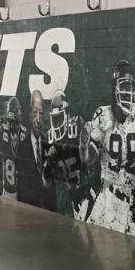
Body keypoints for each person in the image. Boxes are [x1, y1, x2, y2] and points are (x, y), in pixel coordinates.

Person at [84, 60, 135, 238]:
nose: (129, 92)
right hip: (106, 200)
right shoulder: (103, 115)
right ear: (114, 89)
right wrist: (83, 148)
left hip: (132, 205)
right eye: (125, 85)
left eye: (132, 86)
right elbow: (90, 159)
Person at [43, 90, 92, 220]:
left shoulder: (79, 127)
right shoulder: (49, 137)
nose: (57, 124)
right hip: (63, 200)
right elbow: (46, 184)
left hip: (83, 196)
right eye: (55, 119)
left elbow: (89, 165)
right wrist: (49, 161)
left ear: (68, 115)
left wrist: (82, 147)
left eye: (60, 119)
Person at [16, 90, 52, 210]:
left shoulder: (49, 145)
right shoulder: (22, 148)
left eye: (41, 114)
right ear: (29, 114)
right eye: (35, 112)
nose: (38, 119)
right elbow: (22, 189)